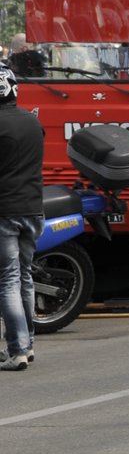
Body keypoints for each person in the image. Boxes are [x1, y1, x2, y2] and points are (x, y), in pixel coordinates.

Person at [0, 65, 43, 371]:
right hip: (33, 210)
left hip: (5, 212)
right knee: (25, 277)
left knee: (8, 281)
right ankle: (27, 345)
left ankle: (17, 351)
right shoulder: (32, 122)